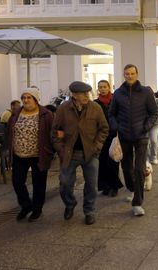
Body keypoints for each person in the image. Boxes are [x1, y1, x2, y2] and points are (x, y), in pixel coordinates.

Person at [52, 81, 108, 225]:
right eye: (83, 94)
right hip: (69, 153)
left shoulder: (95, 108)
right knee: (65, 183)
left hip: (90, 153)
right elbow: (54, 132)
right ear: (74, 95)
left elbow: (104, 128)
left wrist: (97, 146)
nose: (86, 96)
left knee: (91, 185)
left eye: (87, 93)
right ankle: (70, 203)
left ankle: (89, 211)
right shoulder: (63, 109)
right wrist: (61, 150)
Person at [108, 64, 158, 216]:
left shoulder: (145, 92)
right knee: (127, 168)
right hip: (123, 136)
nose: (130, 76)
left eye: (132, 73)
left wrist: (146, 126)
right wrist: (116, 126)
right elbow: (111, 113)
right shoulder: (118, 93)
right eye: (127, 74)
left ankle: (137, 203)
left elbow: (153, 113)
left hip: (141, 136)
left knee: (139, 168)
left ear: (137, 74)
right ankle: (131, 188)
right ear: (124, 75)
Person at [7, 87, 54, 222]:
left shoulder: (46, 114)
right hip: (19, 155)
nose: (26, 100)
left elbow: (53, 133)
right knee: (17, 182)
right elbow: (9, 131)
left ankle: (37, 209)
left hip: (38, 155)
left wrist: (51, 151)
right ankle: (26, 205)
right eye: (23, 98)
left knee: (38, 183)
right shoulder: (16, 113)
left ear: (36, 99)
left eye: (29, 97)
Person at [94, 80, 124, 197]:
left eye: (104, 87)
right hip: (101, 136)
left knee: (112, 161)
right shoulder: (95, 103)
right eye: (100, 87)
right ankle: (105, 186)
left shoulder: (114, 101)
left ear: (109, 87)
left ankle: (114, 186)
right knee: (102, 162)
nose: (102, 89)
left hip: (113, 135)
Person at [148, 87, 158, 165]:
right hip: (145, 124)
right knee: (146, 142)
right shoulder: (142, 101)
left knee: (154, 141)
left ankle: (154, 157)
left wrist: (153, 112)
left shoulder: (156, 101)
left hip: (154, 124)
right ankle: (147, 158)